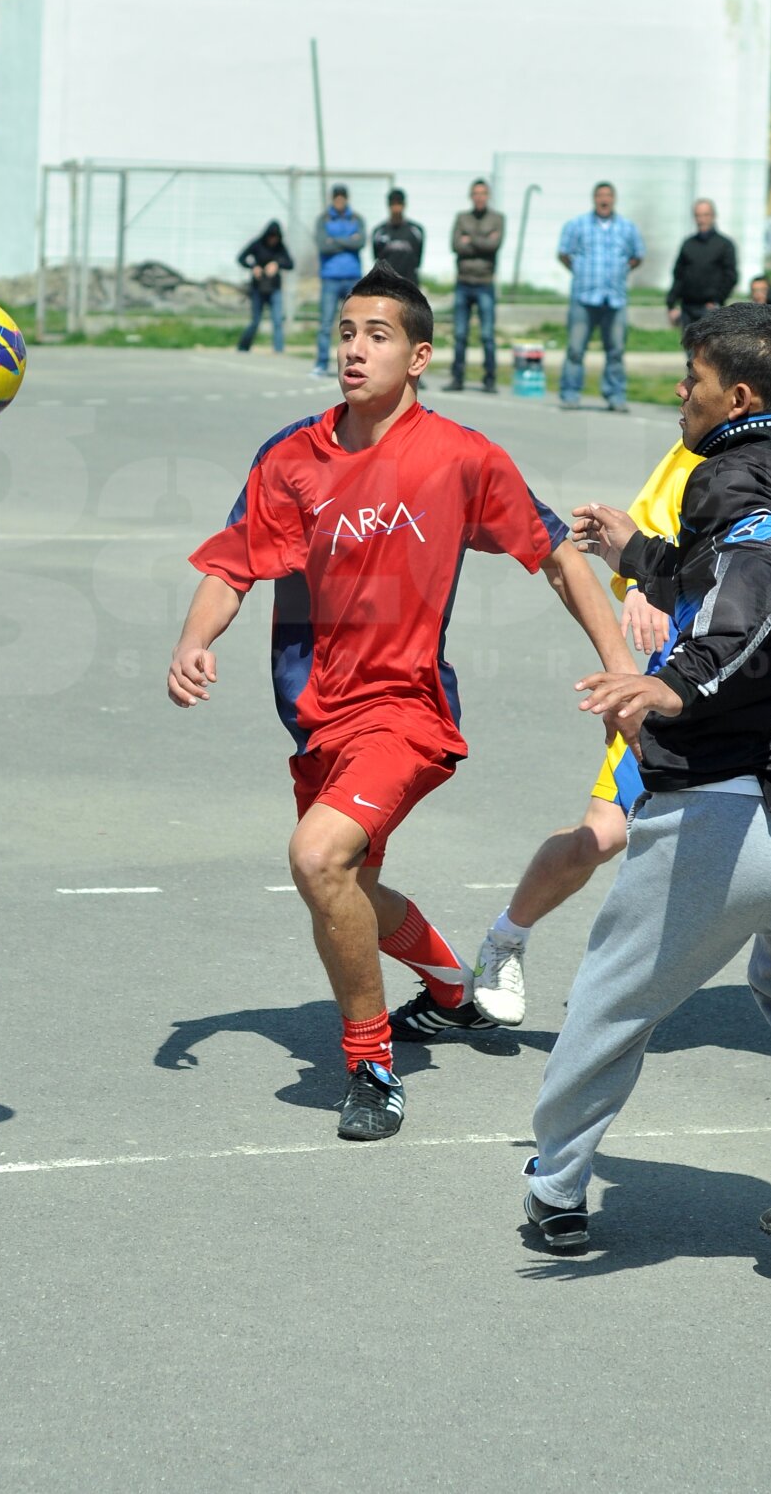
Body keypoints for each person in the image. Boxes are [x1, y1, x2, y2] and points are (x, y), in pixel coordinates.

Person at [167, 260, 634, 1144]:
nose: (354, 349)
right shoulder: (291, 456)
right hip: (318, 714)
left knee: (316, 858)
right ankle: (453, 989)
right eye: (346, 331)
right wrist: (196, 640)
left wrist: (621, 672)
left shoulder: (460, 457)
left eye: (376, 336)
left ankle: (372, 1066)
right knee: (346, 886)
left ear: (419, 356)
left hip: (407, 710)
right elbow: (231, 564)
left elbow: (558, 555)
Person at [523, 303, 771, 1259]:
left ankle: (558, 1190)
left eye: (688, 381)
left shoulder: (727, 474)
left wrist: (673, 681)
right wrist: (638, 555)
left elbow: (757, 577)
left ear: (734, 397)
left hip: (730, 820)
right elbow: (767, 571)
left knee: (612, 1004)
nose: (677, 396)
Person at [471, 264, 771, 1022]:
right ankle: (507, 938)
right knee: (602, 833)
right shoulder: (718, 439)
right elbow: (663, 550)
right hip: (694, 682)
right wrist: (643, 598)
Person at [557, 182, 644, 412]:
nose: (604, 200)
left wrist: (621, 270)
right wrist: (581, 271)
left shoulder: (627, 228)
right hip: (584, 297)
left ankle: (615, 395)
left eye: (608, 196)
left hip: (614, 298)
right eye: (600, 196)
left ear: (614, 199)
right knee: (576, 349)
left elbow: (637, 255)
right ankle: (570, 393)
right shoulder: (578, 225)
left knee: (615, 350)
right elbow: (564, 253)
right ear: (594, 199)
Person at [447, 179, 504, 393]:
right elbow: (455, 245)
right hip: (463, 282)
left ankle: (490, 379)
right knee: (460, 334)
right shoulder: (462, 217)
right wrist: (482, 241)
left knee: (487, 335)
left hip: (485, 283)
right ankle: (457, 378)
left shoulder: (497, 219)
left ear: (488, 196)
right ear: (471, 196)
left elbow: (494, 246)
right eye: (476, 193)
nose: (479, 197)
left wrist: (470, 239)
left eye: (483, 193)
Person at [312, 185, 366, 378]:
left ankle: (355, 363)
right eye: (336, 198)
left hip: (352, 277)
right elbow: (322, 244)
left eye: (343, 198)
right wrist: (347, 241)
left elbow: (360, 242)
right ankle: (321, 363)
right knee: (326, 323)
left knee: (356, 324)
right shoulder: (324, 219)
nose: (340, 201)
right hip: (330, 278)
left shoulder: (356, 218)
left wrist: (334, 240)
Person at [667, 199, 738, 334]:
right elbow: (678, 275)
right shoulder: (688, 244)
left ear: (713, 216)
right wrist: (671, 303)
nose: (702, 219)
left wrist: (717, 299)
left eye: (706, 215)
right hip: (688, 307)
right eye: (698, 215)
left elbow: (731, 276)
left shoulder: (724, 244)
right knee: (691, 353)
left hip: (711, 308)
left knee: (708, 352)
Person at [236, 220, 294, 354]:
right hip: (258, 288)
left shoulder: (281, 247)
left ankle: (278, 350)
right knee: (255, 321)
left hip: (274, 288)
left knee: (277, 320)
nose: (273, 240)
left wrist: (277, 264)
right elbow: (241, 258)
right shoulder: (257, 244)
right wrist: (253, 267)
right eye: (270, 237)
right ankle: (243, 346)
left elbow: (290, 264)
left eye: (275, 237)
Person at [371, 188, 424, 286]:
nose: (396, 208)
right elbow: (376, 258)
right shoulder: (379, 231)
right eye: (393, 204)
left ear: (404, 205)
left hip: (409, 283)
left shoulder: (416, 230)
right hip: (386, 284)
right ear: (388, 206)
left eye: (399, 204)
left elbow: (418, 258)